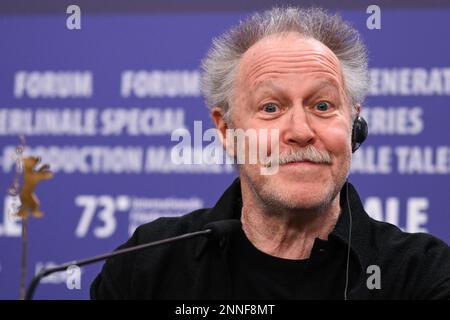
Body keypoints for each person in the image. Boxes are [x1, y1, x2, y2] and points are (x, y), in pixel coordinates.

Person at [91, 6, 450, 299]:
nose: (300, 132)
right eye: (270, 108)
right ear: (226, 130)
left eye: (322, 105)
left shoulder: (424, 275)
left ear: (354, 126)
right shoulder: (147, 263)